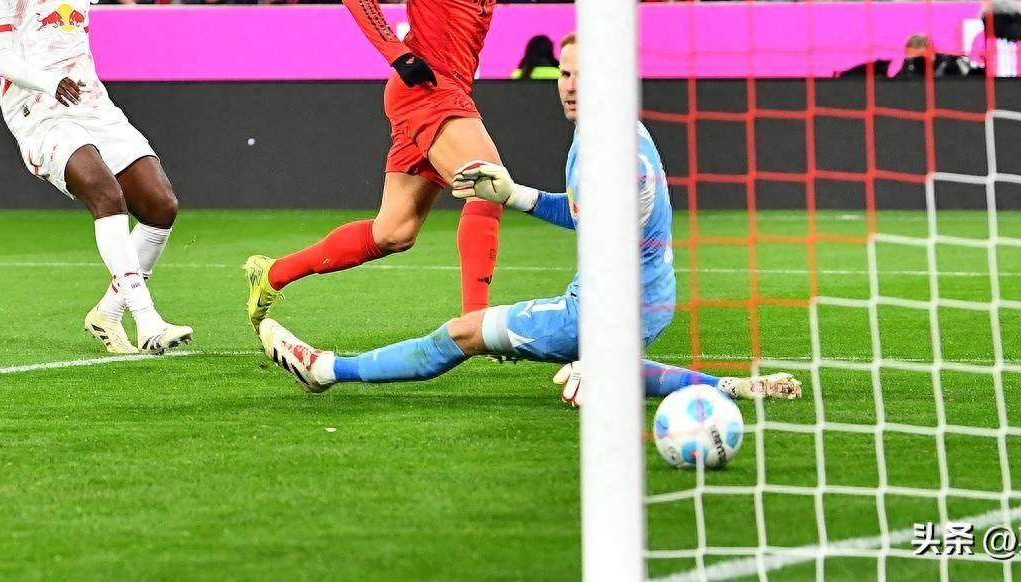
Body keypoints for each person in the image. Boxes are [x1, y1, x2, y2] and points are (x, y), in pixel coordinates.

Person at [258, 34, 804, 406]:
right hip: (647, 300)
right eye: (565, 73)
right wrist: (514, 195)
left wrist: (599, 345)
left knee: (461, 333)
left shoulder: (616, 156)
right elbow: (585, 216)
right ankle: (730, 387)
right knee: (609, 365)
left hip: (611, 308)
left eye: (585, 75)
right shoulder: (608, 130)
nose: (571, 85)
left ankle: (324, 369)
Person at [241, 0, 575, 329]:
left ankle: (273, 274)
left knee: (393, 233)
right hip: (426, 89)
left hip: (449, 91)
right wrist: (398, 55)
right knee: (488, 185)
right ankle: (476, 323)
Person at [0, 0, 192, 355]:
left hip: (91, 103)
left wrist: (78, 88)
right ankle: (148, 321)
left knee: (161, 205)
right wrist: (49, 83)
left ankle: (107, 313)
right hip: (37, 110)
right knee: (106, 195)